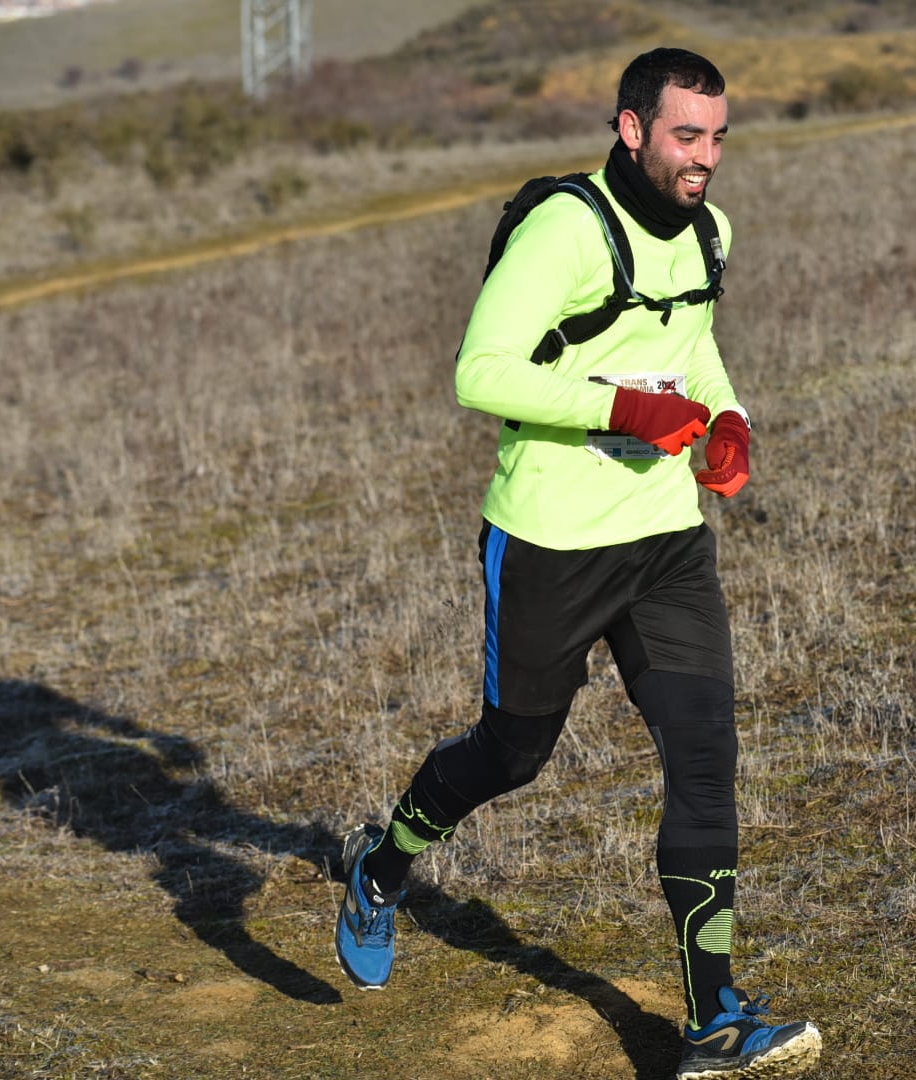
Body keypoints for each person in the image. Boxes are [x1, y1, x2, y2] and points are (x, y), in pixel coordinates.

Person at [333, 46, 822, 1080]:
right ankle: (383, 866)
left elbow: (694, 347)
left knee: (703, 759)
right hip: (552, 543)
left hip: (664, 539)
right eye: (687, 136)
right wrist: (623, 407)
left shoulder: (711, 232)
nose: (707, 160)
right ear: (632, 128)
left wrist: (725, 418)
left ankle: (713, 1020)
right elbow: (481, 371)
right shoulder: (565, 230)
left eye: (720, 137)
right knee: (514, 754)